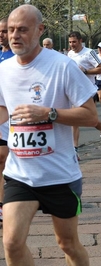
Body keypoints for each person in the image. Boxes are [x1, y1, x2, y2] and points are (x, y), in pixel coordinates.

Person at [0, 5, 97, 264]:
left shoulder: (62, 66)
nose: (14, 35)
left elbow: (91, 116)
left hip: (59, 176)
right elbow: (2, 110)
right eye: (10, 30)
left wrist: (49, 114)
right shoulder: (4, 70)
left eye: (22, 29)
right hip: (20, 174)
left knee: (68, 244)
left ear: (40, 29)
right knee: (11, 242)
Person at [68, 31, 101, 154]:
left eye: (74, 42)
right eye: (70, 42)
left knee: (91, 120)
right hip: (73, 90)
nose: (72, 44)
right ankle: (74, 149)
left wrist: (85, 71)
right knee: (73, 120)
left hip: (88, 89)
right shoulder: (69, 53)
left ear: (81, 41)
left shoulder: (89, 52)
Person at [0, 16, 14, 223]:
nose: (1, 35)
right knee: (0, 158)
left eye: (4, 31)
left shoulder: (20, 56)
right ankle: (2, 206)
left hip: (22, 119)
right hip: (2, 116)